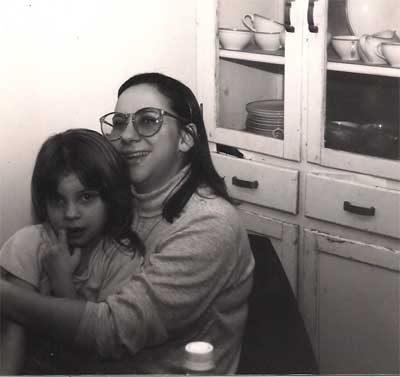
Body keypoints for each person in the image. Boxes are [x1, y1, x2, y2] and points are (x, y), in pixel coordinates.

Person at [0, 73, 255, 374]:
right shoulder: (118, 202)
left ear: (186, 137)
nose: (127, 136)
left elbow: (113, 332)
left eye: (148, 120)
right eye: (120, 122)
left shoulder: (210, 223)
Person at [0, 129, 143, 374]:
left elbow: (92, 359)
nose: (71, 214)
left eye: (86, 197)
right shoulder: (29, 244)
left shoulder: (123, 258)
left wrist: (62, 281)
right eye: (58, 201)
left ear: (110, 199)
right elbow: (11, 346)